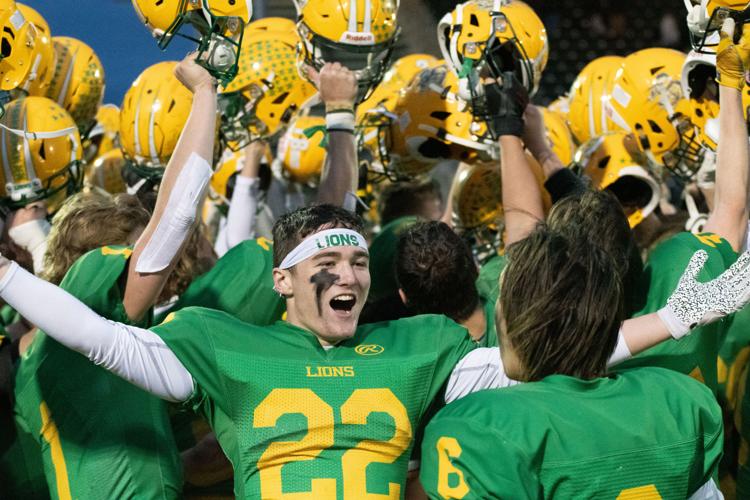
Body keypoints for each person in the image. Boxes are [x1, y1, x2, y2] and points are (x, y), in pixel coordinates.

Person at [0, 195, 748, 497]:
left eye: (358, 260)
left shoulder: (416, 345)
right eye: (326, 264)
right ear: (284, 283)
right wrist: (7, 272)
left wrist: (672, 322)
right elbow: (99, 338)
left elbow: (539, 360)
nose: (348, 275)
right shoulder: (224, 345)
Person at [9, 52, 218, 499]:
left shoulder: (32, 349)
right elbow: (177, 214)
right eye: (135, 247)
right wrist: (203, 93)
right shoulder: (97, 289)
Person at [419, 222, 737, 498]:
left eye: (503, 295)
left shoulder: (475, 427)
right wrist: (668, 321)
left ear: (520, 320)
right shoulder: (679, 402)